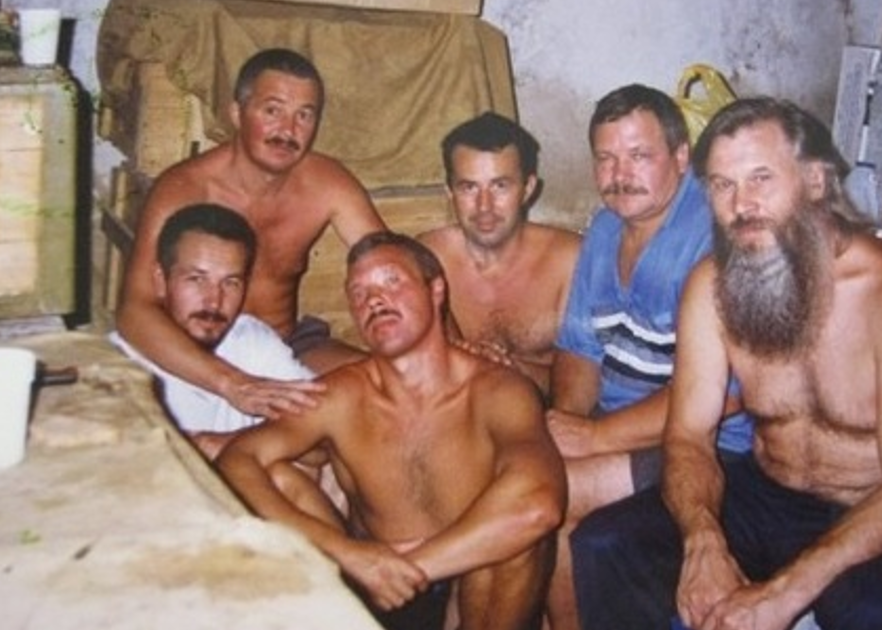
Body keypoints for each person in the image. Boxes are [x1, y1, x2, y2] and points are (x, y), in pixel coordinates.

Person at [571, 96, 882, 630]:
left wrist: (783, 593)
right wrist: (703, 540)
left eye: (760, 178)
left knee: (865, 609)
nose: (742, 204)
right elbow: (688, 436)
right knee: (604, 543)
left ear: (815, 180)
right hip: (769, 496)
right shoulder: (713, 286)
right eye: (722, 185)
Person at [217, 231, 567, 630]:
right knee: (277, 479)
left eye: (392, 281)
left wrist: (407, 568)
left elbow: (539, 504)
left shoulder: (497, 390)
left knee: (517, 539)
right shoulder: (341, 395)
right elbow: (238, 459)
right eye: (359, 292)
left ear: (436, 290)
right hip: (371, 587)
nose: (374, 299)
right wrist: (350, 556)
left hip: (466, 581)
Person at [544, 84, 751, 630]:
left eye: (639, 155)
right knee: (526, 468)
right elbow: (580, 350)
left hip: (705, 444)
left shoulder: (713, 236)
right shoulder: (604, 228)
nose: (620, 174)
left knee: (544, 493)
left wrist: (593, 439)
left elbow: (727, 395)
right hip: (617, 428)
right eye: (606, 158)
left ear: (682, 157)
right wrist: (566, 425)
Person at [116, 48, 386, 421]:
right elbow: (134, 311)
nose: (288, 131)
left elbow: (394, 267)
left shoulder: (327, 183)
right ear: (236, 113)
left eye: (304, 115)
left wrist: (448, 351)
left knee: (385, 393)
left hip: (287, 343)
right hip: (196, 349)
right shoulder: (183, 189)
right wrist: (233, 383)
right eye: (272, 110)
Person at [110, 204, 314, 460]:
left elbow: (323, 439)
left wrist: (213, 445)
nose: (214, 301)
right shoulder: (121, 363)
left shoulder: (251, 341)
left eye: (230, 282)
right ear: (161, 281)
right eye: (197, 279)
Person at [419, 111, 581, 395]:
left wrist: (507, 369)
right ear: (449, 191)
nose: (485, 206)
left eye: (500, 186)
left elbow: (594, 379)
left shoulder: (571, 260)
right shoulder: (426, 259)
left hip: (552, 411)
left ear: (528, 189)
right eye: (469, 187)